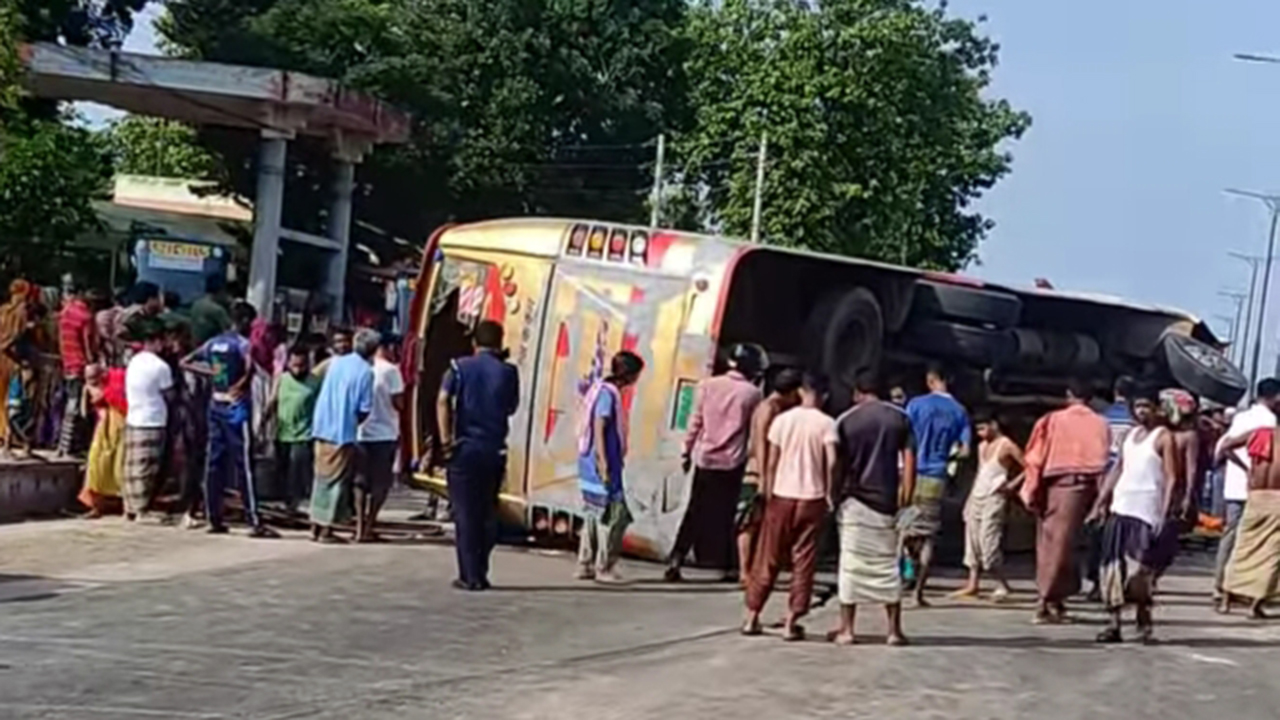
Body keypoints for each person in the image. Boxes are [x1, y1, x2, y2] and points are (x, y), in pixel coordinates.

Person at [742, 372, 837, 641]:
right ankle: (791, 622)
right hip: (812, 498)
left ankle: (752, 616)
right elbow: (831, 461)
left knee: (768, 556)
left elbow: (772, 460)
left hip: (782, 495)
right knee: (803, 561)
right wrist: (829, 491)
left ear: (800, 392)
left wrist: (768, 487)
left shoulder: (783, 420)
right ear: (824, 395)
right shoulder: (827, 423)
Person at [829, 372, 916, 646]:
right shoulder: (900, 418)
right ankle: (894, 631)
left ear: (858, 392)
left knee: (850, 566)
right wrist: (906, 499)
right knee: (888, 566)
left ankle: (847, 629)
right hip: (887, 502)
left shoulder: (846, 420)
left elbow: (837, 465)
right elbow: (910, 462)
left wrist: (832, 496)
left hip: (854, 502)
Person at [667, 344, 765, 583]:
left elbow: (695, 422)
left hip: (705, 459)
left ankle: (676, 559)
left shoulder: (707, 385)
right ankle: (729, 566)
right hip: (733, 461)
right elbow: (753, 431)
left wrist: (686, 451)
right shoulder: (752, 394)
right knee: (729, 513)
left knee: (694, 510)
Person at [1089, 387, 1179, 643]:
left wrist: (1164, 511)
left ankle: (1143, 621)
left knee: (1140, 572)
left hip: (1146, 511)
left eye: (1146, 406)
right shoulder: (1129, 436)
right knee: (1112, 570)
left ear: (1157, 409)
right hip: (1121, 506)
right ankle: (1114, 625)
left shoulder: (1164, 437)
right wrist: (1100, 502)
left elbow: (1171, 477)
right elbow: (1117, 469)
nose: (1141, 411)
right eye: (1138, 406)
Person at [1020, 379, 1111, 624]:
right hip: (1079, 488)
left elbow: (1035, 458)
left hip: (1054, 485)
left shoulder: (1052, 420)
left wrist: (1031, 489)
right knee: (1063, 546)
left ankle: (1053, 600)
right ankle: (1046, 600)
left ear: (1069, 395)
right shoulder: (1100, 423)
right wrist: (1101, 501)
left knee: (1051, 544)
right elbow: (1101, 463)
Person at [437, 320, 520, 590]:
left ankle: (470, 575)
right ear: (500, 341)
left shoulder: (458, 367)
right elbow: (511, 407)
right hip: (494, 449)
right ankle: (480, 569)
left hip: (464, 448)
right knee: (487, 511)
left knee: (465, 513)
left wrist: (446, 441)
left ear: (474, 342)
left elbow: (443, 400)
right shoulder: (509, 372)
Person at [182, 302, 274, 538]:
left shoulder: (212, 343)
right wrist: (241, 385)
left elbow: (185, 362)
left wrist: (210, 373)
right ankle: (254, 521)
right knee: (244, 463)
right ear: (244, 321)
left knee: (214, 462)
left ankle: (214, 518)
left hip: (216, 403)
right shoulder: (242, 344)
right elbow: (250, 367)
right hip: (236, 407)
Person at [901, 363, 971, 606]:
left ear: (931, 380)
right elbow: (965, 451)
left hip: (910, 474)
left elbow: (902, 438)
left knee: (903, 527)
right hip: (936, 477)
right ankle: (918, 593)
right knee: (928, 536)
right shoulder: (959, 411)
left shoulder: (915, 405)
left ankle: (905, 570)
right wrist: (948, 459)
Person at [575, 350, 645, 583]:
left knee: (592, 513)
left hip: (589, 463)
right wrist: (603, 461)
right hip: (601, 464)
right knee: (615, 516)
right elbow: (599, 425)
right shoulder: (608, 394)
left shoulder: (602, 389)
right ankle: (603, 566)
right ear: (630, 375)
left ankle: (585, 563)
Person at [1212, 378, 1280, 613]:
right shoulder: (1267, 425)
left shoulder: (1251, 425)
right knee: (1270, 552)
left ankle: (1224, 596)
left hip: (1252, 494)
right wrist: (1247, 469)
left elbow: (1224, 446)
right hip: (1272, 498)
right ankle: (1255, 603)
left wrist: (1245, 469)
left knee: (1240, 546)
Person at [309, 327, 378, 544]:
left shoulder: (335, 363)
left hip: (321, 426)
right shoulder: (366, 372)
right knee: (335, 481)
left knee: (320, 477)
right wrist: (353, 422)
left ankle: (315, 525)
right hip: (341, 431)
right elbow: (364, 408)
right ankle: (325, 530)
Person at [739, 368, 803, 588]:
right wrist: (764, 477)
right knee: (750, 522)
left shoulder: (778, 408)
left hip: (767, 472)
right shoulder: (769, 408)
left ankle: (756, 569)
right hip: (758, 472)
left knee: (762, 523)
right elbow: (760, 444)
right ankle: (745, 570)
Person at [952, 412, 1023, 602]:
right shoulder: (982, 446)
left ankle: (1002, 584)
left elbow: (1029, 466)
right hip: (977, 495)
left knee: (988, 543)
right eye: (977, 429)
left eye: (983, 428)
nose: (980, 433)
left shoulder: (1006, 445)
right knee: (972, 541)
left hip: (994, 496)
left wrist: (1012, 484)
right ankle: (972, 583)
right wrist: (970, 498)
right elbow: (980, 472)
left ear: (994, 425)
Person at [1085, 375, 1136, 600]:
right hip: (1126, 482)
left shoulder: (1102, 418)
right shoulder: (1135, 422)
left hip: (1102, 479)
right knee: (1122, 536)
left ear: (1115, 392)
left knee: (1099, 533)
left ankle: (1097, 582)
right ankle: (1119, 581)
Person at [122, 318, 174, 522]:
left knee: (131, 466)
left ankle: (129, 507)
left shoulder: (134, 361)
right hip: (152, 420)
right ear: (156, 341)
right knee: (147, 468)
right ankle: (142, 510)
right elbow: (170, 395)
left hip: (133, 417)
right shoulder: (160, 367)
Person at [356, 337, 405, 542]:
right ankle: (369, 524)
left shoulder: (361, 368)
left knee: (360, 481)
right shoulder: (391, 371)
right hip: (385, 434)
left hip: (360, 432)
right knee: (380, 483)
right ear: (388, 348)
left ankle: (359, 526)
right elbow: (399, 403)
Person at [266, 345, 319, 516]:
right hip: (282, 433)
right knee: (282, 469)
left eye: (301, 365)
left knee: (297, 470)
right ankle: (286, 502)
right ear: (288, 363)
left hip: (304, 434)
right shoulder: (282, 379)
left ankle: (295, 503)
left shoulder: (315, 382)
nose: (297, 369)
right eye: (294, 365)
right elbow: (273, 401)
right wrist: (263, 423)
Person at [56, 281, 98, 457]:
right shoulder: (85, 316)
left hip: (67, 363)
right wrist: (92, 363)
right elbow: (88, 344)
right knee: (78, 406)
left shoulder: (65, 312)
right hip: (80, 365)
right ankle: (70, 446)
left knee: (70, 403)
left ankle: (63, 445)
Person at [77, 364, 125, 517]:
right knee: (96, 466)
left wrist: (103, 393)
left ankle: (123, 505)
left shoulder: (116, 382)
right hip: (103, 429)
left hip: (119, 426)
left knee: (118, 466)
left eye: (93, 378)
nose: (90, 382)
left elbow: (120, 401)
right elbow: (84, 412)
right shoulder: (91, 387)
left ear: (102, 374)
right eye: (87, 378)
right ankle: (96, 506)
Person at [0, 279, 32, 445]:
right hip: (11, 359)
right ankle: (8, 433)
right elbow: (17, 335)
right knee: (11, 397)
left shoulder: (3, 309)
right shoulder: (22, 311)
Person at [117, 282, 163, 366]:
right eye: (157, 297)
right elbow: (120, 337)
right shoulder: (132, 317)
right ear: (150, 299)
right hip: (133, 361)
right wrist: (138, 346)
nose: (160, 301)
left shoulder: (153, 317)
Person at [5, 355, 36, 458]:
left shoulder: (25, 384)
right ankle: (9, 448)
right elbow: (14, 398)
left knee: (19, 427)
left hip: (21, 408)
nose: (29, 374)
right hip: (15, 408)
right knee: (17, 428)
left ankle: (24, 448)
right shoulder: (16, 383)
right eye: (28, 371)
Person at [189, 276, 232, 345]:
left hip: (194, 344)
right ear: (220, 291)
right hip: (211, 346)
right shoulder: (218, 310)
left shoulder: (196, 304)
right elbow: (229, 331)